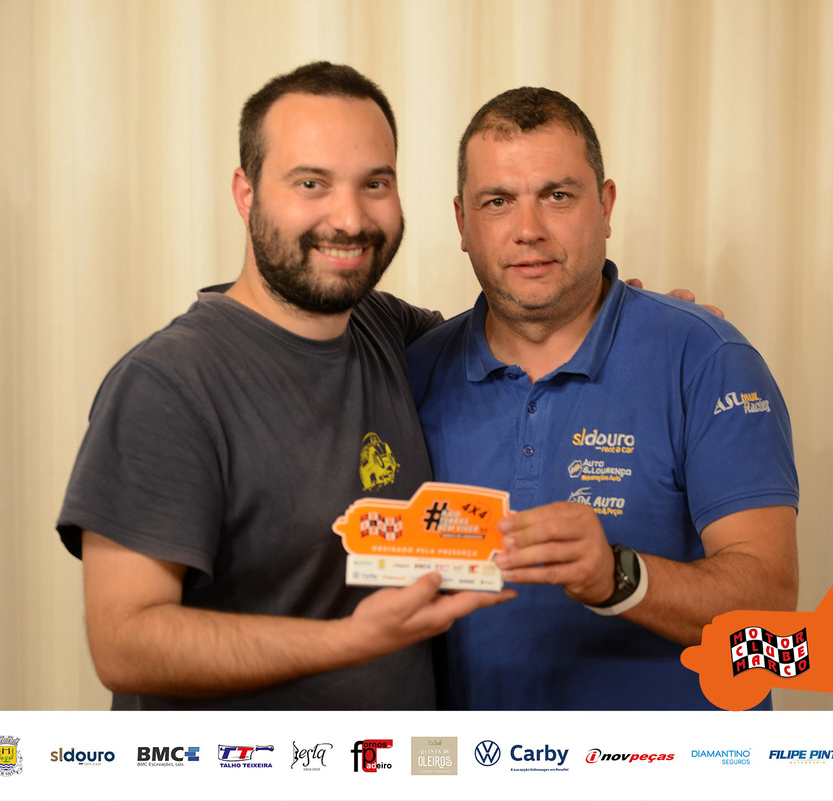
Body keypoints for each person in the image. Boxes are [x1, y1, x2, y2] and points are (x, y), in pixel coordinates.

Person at [56, 62, 513, 710]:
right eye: (311, 183)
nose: (349, 218)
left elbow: (517, 336)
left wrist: (622, 318)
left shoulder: (384, 328)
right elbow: (124, 643)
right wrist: (350, 641)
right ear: (246, 194)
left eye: (374, 183)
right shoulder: (167, 386)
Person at [407, 87, 799, 710]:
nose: (528, 230)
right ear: (462, 222)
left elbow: (773, 609)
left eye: (558, 196)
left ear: (606, 206)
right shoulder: (414, 372)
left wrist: (620, 578)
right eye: (498, 201)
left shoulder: (707, 357)